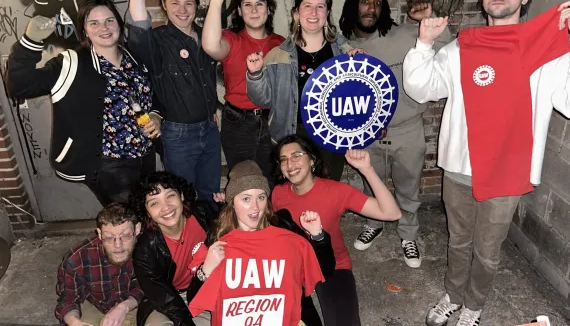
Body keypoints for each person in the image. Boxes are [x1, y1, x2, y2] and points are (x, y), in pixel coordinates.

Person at [403, 0, 570, 326]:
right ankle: (453, 295)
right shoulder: (461, 47)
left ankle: (474, 304)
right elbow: (421, 89)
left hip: (507, 173)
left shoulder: (547, 52)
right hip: (457, 168)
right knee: (457, 241)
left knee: (487, 251)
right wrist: (424, 45)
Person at [338, 0, 451, 267]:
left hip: (406, 129)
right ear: (353, 6)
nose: (371, 9)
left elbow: (448, 48)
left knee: (408, 186)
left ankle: (409, 233)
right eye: (365, 2)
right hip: (366, 134)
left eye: (377, 3)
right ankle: (374, 223)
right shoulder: (343, 46)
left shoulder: (405, 35)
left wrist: (430, 18)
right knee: (369, 182)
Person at [6, 0, 161, 205]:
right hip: (109, 166)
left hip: (144, 156)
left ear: (119, 23)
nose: (103, 28)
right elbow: (19, 86)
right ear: (84, 30)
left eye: (109, 20)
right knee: (129, 221)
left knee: (147, 212)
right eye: (93, 23)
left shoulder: (132, 57)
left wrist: (155, 115)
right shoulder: (71, 63)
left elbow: (152, 95)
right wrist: (30, 42)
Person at [271, 134, 402, 326]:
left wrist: (367, 170)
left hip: (333, 265)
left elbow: (391, 213)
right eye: (284, 160)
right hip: (294, 268)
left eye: (296, 155)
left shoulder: (336, 191)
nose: (290, 165)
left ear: (312, 160)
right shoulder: (278, 193)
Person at [127, 0, 220, 211]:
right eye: (175, 3)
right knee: (183, 197)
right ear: (164, 6)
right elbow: (138, 25)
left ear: (196, 6)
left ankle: (211, 241)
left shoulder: (206, 35)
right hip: (178, 136)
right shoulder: (158, 41)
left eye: (189, 3)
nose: (183, 9)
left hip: (210, 130)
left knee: (211, 194)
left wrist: (216, 108)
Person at [246, 0, 364, 181]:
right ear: (296, 13)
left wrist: (360, 69)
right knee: (294, 189)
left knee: (327, 187)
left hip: (332, 134)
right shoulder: (278, 55)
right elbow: (263, 99)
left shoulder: (345, 53)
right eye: (307, 5)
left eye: (320, 6)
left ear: (327, 13)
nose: (314, 12)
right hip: (292, 132)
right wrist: (255, 73)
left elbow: (360, 100)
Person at [188, 160, 325, 326]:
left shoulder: (285, 232)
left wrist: (317, 236)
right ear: (232, 202)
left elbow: (325, 269)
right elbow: (194, 301)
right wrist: (206, 270)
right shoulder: (219, 241)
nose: (255, 207)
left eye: (261, 198)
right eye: (246, 199)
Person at [202, 0, 284, 181]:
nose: (254, 10)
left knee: (272, 181)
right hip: (238, 122)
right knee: (241, 180)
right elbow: (211, 46)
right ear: (239, 11)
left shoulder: (281, 43)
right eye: (247, 4)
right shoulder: (231, 39)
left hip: (272, 120)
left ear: (269, 9)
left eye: (260, 4)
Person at [130, 172, 218, 326]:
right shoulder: (145, 249)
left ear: (182, 196)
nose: (166, 207)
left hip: (204, 290)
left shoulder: (203, 215)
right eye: (154, 203)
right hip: (167, 303)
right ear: (147, 212)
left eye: (170, 196)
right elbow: (165, 300)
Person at [55, 203, 143, 326]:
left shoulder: (148, 248)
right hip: (96, 307)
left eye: (126, 235)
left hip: (137, 306)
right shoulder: (76, 259)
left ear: (137, 229)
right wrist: (75, 322)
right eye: (109, 237)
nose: (118, 245)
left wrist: (124, 307)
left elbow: (151, 288)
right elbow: (68, 298)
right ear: (100, 234)